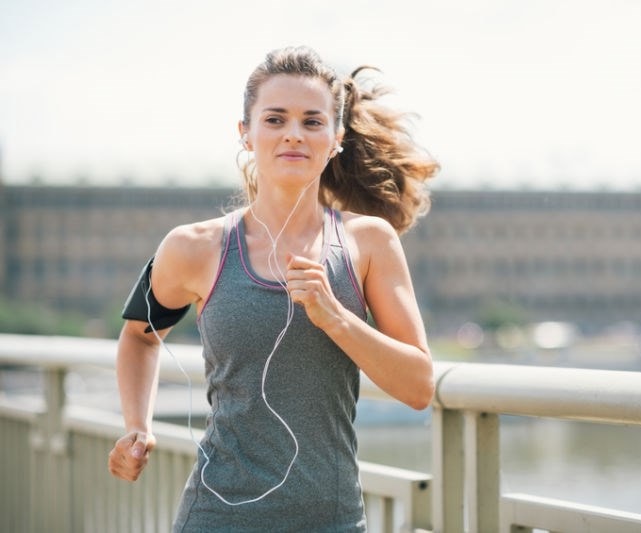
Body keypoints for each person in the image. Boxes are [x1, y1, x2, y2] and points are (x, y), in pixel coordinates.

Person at [107, 45, 439, 532]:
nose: (293, 135)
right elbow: (140, 335)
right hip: (215, 518)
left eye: (311, 121)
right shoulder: (194, 246)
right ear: (245, 133)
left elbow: (418, 386)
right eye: (275, 119)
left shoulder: (368, 243)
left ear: (336, 138)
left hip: (334, 521)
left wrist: (336, 317)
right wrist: (137, 426)